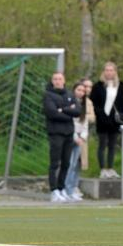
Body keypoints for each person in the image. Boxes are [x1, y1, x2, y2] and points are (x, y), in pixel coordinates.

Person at [43, 72, 81, 202]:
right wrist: (67, 111)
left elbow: (77, 111)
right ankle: (53, 190)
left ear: (64, 81)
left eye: (60, 79)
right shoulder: (48, 95)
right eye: (55, 79)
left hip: (69, 132)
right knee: (55, 162)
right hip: (55, 133)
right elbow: (52, 113)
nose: (58, 81)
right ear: (52, 81)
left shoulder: (69, 94)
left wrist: (62, 109)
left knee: (66, 163)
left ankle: (61, 188)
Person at [90, 62, 123, 179]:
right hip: (102, 119)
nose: (109, 72)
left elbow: (122, 104)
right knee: (102, 144)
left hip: (114, 120)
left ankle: (110, 168)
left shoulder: (120, 86)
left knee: (112, 145)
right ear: (103, 72)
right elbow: (94, 103)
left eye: (111, 70)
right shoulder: (98, 86)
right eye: (107, 70)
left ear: (115, 72)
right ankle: (102, 169)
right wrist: (100, 115)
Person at [64, 81, 88, 202]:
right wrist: (75, 136)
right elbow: (70, 121)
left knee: (76, 165)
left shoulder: (84, 105)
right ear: (74, 90)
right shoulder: (69, 102)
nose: (81, 93)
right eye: (79, 90)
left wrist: (82, 137)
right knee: (69, 165)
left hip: (80, 138)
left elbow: (85, 123)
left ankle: (73, 188)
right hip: (71, 136)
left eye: (83, 91)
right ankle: (66, 189)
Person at [80, 78, 95, 173]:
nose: (88, 89)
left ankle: (74, 185)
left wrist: (82, 116)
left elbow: (92, 118)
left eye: (90, 87)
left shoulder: (89, 102)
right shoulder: (72, 98)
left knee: (80, 161)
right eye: (86, 86)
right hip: (71, 133)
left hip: (83, 134)